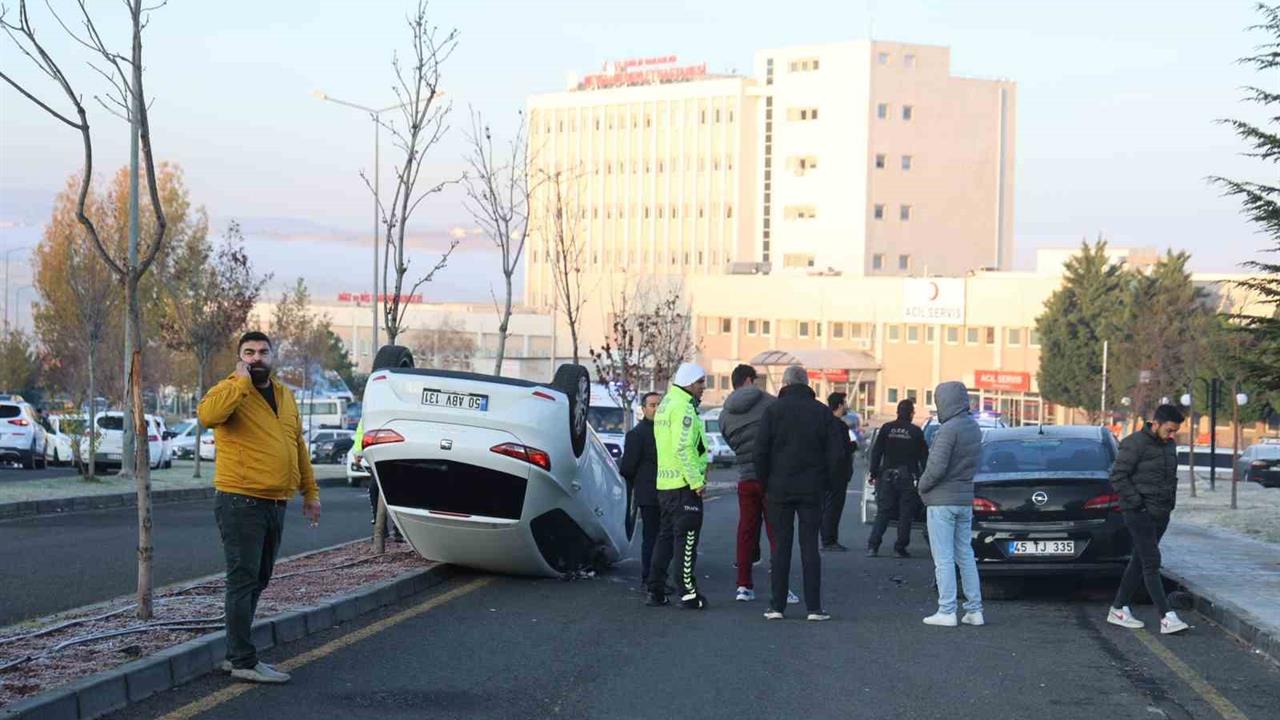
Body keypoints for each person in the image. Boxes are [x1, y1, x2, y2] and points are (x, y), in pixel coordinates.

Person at [198, 331, 321, 684]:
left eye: (262, 352)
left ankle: (235, 652)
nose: (256, 357)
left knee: (260, 578)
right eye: (248, 352)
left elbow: (296, 446)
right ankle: (242, 660)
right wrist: (238, 382)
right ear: (239, 358)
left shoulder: (284, 395)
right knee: (243, 579)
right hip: (240, 500)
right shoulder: (229, 390)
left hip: (275, 502)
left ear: (273, 356)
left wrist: (310, 493)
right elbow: (207, 416)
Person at [754, 365, 844, 621]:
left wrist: (766, 483)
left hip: (778, 489)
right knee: (809, 547)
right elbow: (836, 455)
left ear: (784, 383)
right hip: (811, 489)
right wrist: (826, 483)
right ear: (807, 384)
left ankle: (776, 606)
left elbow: (760, 453)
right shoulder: (822, 413)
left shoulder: (772, 412)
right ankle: (814, 607)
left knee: (780, 547)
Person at [1106, 404, 1191, 634]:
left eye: (1175, 431)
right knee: (1152, 562)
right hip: (1138, 513)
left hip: (1161, 513)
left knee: (1140, 560)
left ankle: (1118, 608)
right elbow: (1117, 476)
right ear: (1156, 423)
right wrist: (1137, 504)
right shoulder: (1134, 443)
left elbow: (1169, 478)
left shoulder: (1169, 445)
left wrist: (1169, 505)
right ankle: (1167, 617)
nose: (1172, 435)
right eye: (1169, 430)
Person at [720, 364, 797, 605]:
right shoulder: (770, 403)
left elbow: (732, 444)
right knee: (776, 532)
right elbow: (784, 434)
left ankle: (743, 586)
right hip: (770, 477)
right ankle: (781, 588)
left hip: (746, 478)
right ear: (751, 380)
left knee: (746, 531)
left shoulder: (724, 414)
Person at [917, 381, 983, 628]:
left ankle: (946, 610)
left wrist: (921, 486)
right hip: (964, 499)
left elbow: (936, 467)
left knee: (943, 557)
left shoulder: (947, 430)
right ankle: (974, 610)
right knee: (965, 554)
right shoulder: (973, 428)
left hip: (941, 501)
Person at [646, 363, 710, 609]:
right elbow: (683, 448)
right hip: (684, 486)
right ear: (689, 383)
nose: (703, 388)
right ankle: (689, 594)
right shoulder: (683, 408)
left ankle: (656, 590)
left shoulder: (666, 405)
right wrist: (696, 481)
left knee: (665, 538)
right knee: (687, 540)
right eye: (700, 382)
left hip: (666, 484)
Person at [866, 399, 929, 557]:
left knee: (883, 512)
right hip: (908, 478)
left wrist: (873, 472)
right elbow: (924, 458)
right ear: (911, 413)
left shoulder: (887, 428)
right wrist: (926, 477)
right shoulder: (915, 432)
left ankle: (873, 546)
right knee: (905, 513)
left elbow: (876, 452)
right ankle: (900, 548)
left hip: (887, 476)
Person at [620, 392, 663, 587]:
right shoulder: (636, 434)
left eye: (659, 405)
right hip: (648, 494)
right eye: (653, 405)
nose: (657, 408)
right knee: (651, 537)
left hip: (667, 491)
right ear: (644, 409)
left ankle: (658, 576)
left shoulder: (666, 432)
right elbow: (627, 468)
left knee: (664, 538)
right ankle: (649, 577)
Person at [821, 391, 856, 552]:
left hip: (824, 471)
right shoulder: (839, 426)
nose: (846, 406)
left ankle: (827, 538)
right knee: (834, 507)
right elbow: (840, 450)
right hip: (837, 474)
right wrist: (853, 447)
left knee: (826, 506)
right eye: (844, 403)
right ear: (840, 405)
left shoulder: (823, 422)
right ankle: (829, 540)